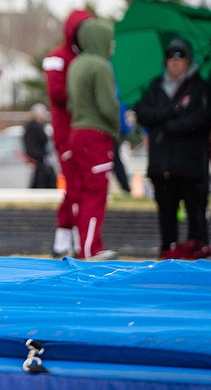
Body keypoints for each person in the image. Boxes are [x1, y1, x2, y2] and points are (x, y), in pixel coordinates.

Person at [133, 38, 211, 260]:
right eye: (170, 56)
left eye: (180, 56)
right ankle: (167, 251)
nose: (175, 62)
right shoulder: (155, 86)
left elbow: (203, 119)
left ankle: (198, 252)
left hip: (190, 165)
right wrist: (169, 112)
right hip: (162, 164)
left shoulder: (200, 87)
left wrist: (172, 126)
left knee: (196, 213)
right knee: (166, 215)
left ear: (188, 60)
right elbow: (143, 113)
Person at [66, 17, 120, 261]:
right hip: (96, 135)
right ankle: (90, 248)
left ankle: (84, 246)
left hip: (76, 132)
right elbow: (107, 106)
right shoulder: (101, 66)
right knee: (95, 193)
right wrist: (118, 127)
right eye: (110, 41)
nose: (112, 47)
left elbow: (69, 103)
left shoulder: (75, 64)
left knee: (79, 192)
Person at [43, 8, 93, 257]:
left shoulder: (89, 58)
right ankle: (68, 237)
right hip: (67, 132)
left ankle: (69, 236)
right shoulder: (58, 57)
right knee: (75, 185)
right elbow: (56, 93)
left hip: (84, 130)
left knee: (83, 185)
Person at [23, 104, 57, 189]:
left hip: (39, 156)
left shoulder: (34, 126)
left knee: (41, 177)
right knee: (41, 178)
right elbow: (41, 139)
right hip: (38, 156)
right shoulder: (34, 126)